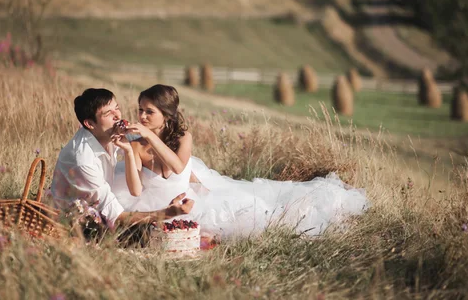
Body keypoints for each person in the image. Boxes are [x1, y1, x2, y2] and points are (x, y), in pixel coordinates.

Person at [111, 84, 369, 239]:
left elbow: (177, 167)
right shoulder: (134, 141)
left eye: (149, 112)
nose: (142, 116)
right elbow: (135, 190)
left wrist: (148, 135)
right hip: (154, 201)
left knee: (257, 213)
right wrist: (127, 149)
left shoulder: (183, 138)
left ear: (166, 116)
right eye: (140, 110)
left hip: (188, 199)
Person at [49, 88, 194, 231]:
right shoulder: (83, 161)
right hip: (74, 222)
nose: (117, 116)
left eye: (116, 108)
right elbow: (116, 216)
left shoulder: (107, 134)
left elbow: (176, 165)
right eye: (108, 113)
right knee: (144, 233)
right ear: (90, 124)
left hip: (100, 204)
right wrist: (167, 213)